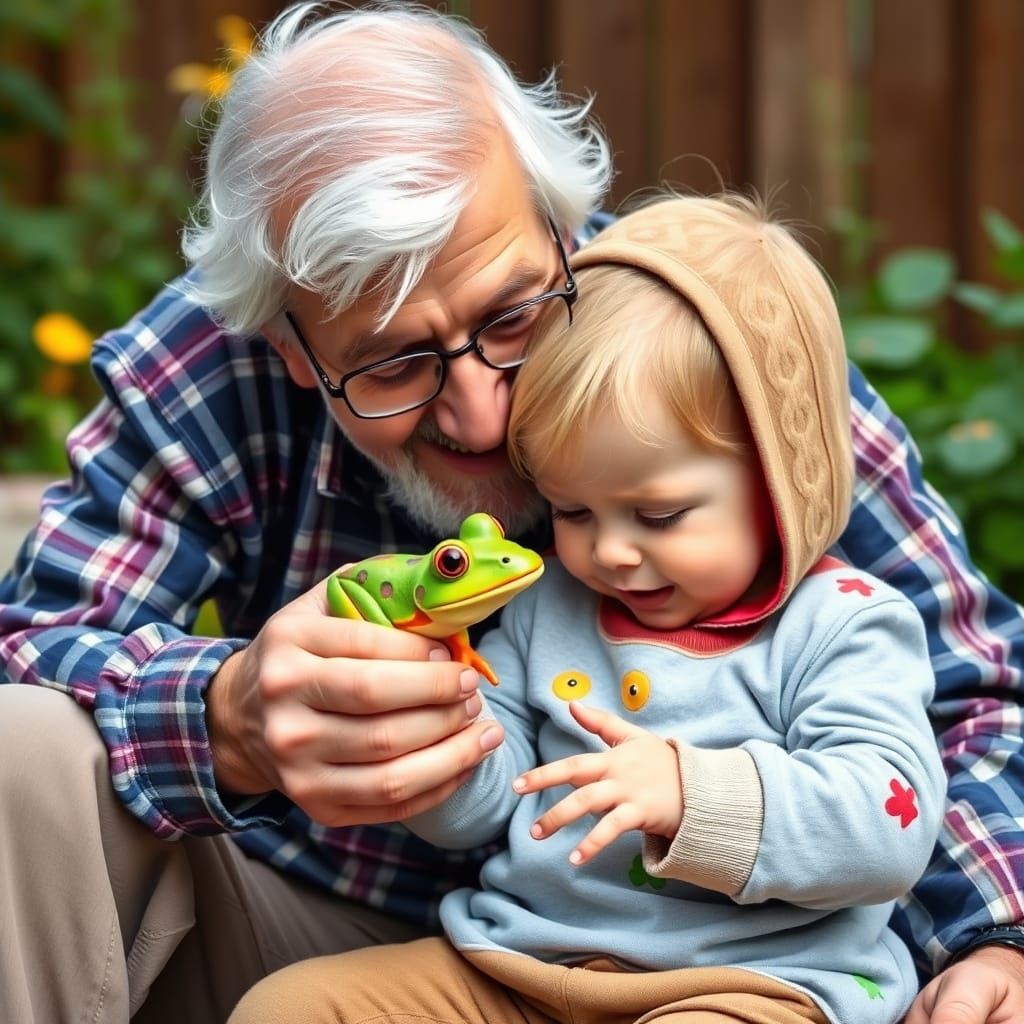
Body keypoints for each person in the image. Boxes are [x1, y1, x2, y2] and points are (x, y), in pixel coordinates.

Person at [0, 3, 1019, 1023]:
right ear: (295, 351)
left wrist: (993, 937)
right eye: (393, 362)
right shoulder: (204, 363)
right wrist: (228, 719)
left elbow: (971, 692)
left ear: (560, 226)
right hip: (393, 934)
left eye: (511, 316)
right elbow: (30, 646)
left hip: (746, 963)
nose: (482, 415)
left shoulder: (713, 352)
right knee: (23, 749)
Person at [226, 193, 949, 1024]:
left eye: (659, 515)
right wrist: (439, 743)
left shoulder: (844, 625)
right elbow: (484, 813)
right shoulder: (551, 612)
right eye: (572, 512)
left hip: (748, 986)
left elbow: (886, 822)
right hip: (521, 962)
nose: (608, 552)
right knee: (293, 1007)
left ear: (780, 482)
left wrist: (692, 793)